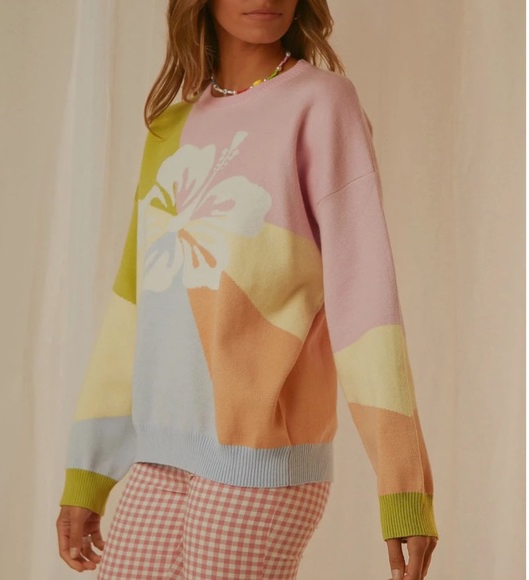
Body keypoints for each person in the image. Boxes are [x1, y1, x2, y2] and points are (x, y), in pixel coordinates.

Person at [56, 1, 439, 578]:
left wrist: (403, 486)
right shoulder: (172, 126)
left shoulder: (321, 103)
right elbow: (132, 306)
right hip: (158, 457)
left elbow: (365, 300)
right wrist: (88, 471)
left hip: (260, 461)